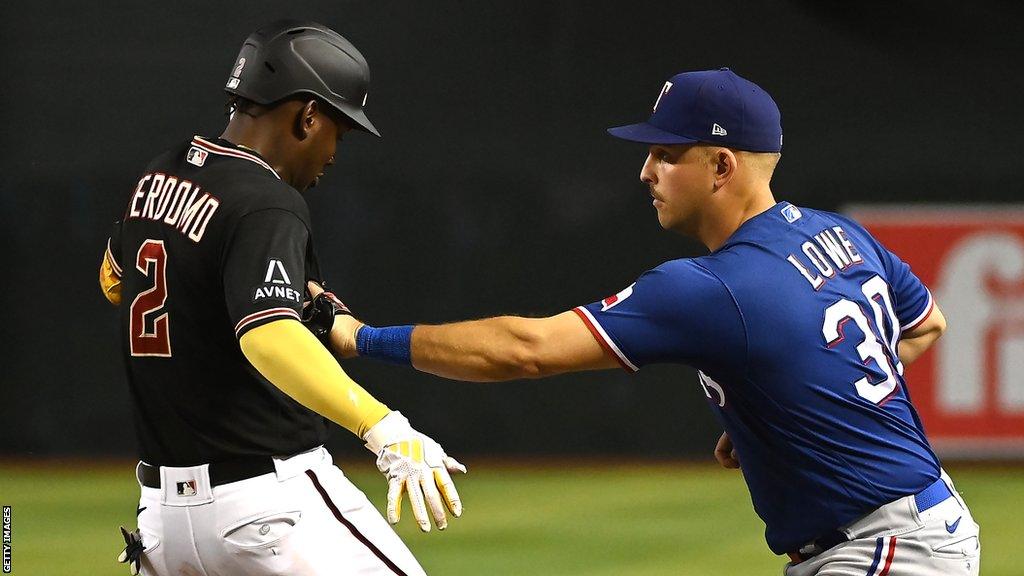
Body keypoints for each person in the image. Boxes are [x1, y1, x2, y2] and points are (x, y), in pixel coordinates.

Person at [326, 68, 981, 575]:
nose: (646, 172)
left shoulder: (712, 288)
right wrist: (789, 409)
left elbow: (526, 349)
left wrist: (362, 338)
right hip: (917, 528)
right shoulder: (840, 235)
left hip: (885, 547)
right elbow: (928, 325)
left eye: (666, 154)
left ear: (721, 166)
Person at [98, 20, 464, 576]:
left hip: (161, 522)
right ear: (307, 115)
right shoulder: (268, 200)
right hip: (268, 506)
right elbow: (269, 333)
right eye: (339, 129)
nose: (336, 151)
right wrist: (382, 427)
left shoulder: (159, 173)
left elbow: (114, 282)